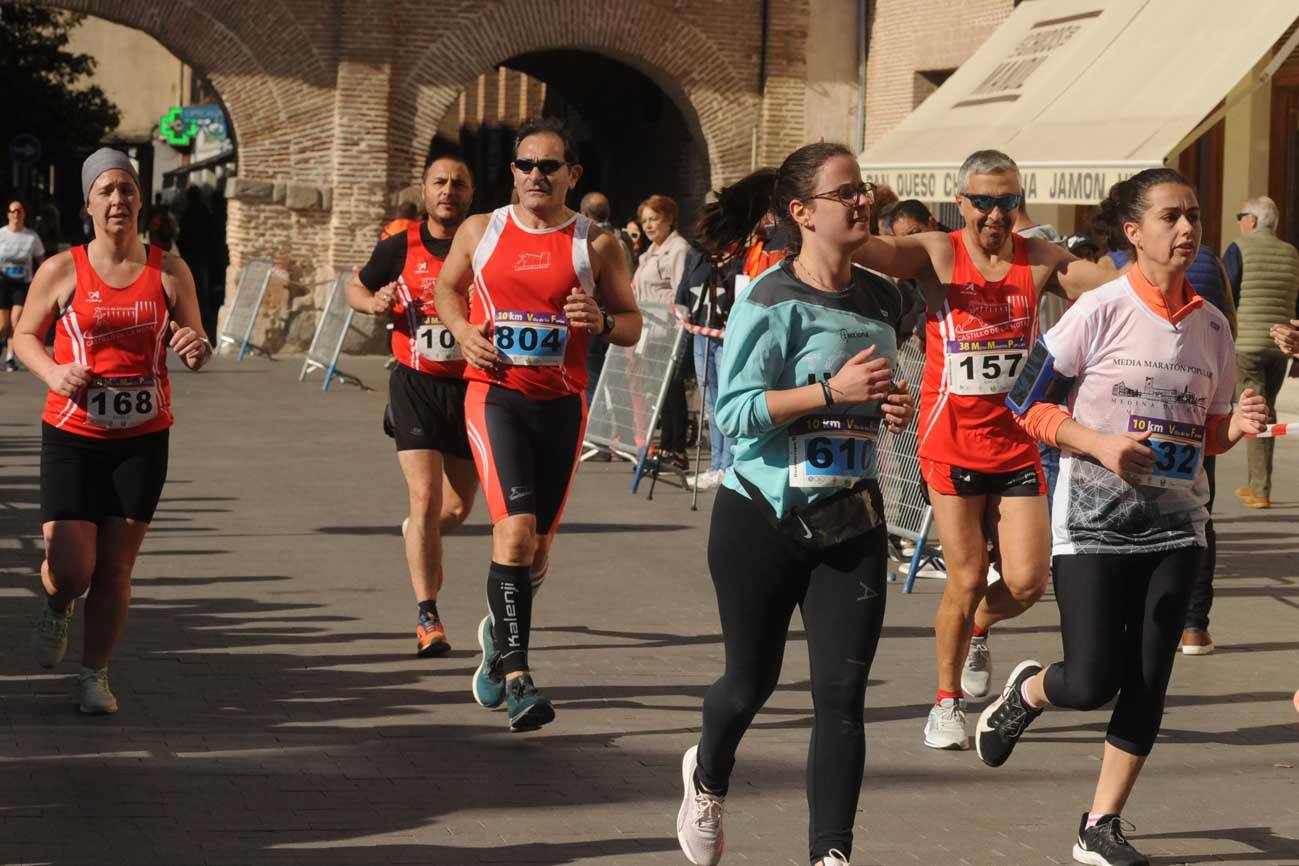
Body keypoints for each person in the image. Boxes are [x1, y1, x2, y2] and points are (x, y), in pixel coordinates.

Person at [976, 168, 1268, 866]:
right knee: (1090, 681)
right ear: (1133, 232)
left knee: (1147, 678)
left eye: (1194, 215)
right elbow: (1025, 404)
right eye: (1170, 216)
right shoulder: (1098, 310)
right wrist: (1098, 443)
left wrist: (1237, 427)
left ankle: (1099, 825)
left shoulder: (1212, 326)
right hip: (1092, 523)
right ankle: (1029, 692)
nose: (1187, 228)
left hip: (1178, 525)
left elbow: (1210, 435)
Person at [675, 142, 915, 866]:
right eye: (845, 193)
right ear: (802, 213)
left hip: (849, 518)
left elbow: (874, 391)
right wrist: (830, 393)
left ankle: (830, 854)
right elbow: (733, 413)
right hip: (762, 518)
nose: (861, 202)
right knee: (749, 684)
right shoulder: (769, 298)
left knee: (842, 692)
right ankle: (707, 775)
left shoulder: (885, 299)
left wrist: (889, 404)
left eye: (862, 189)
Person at [853, 149, 1117, 751]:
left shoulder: (1038, 258)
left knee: (1026, 583)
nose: (995, 215)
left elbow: (1109, 286)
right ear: (961, 203)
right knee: (968, 574)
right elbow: (871, 250)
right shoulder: (938, 251)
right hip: (950, 441)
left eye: (1007, 202)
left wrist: (1157, 267)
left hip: (1018, 441)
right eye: (983, 202)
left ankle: (977, 626)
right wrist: (850, 209)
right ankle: (945, 702)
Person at [433, 118, 643, 731]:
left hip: (561, 406)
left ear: (572, 175)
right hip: (495, 397)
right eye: (525, 165)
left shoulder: (596, 244)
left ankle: (498, 636)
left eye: (549, 166)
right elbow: (447, 289)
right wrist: (463, 330)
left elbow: (632, 323)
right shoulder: (481, 230)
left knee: (537, 551)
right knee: (516, 534)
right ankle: (519, 677)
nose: (536, 175)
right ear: (513, 172)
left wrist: (601, 322)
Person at [16, 147, 213, 714]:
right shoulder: (61, 269)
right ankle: (58, 602)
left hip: (143, 439)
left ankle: (94, 675)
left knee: (116, 568)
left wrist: (195, 348)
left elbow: (197, 343)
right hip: (73, 433)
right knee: (72, 567)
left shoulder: (169, 271)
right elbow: (24, 335)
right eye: (106, 190)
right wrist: (54, 372)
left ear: (140, 200)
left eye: (127, 189)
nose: (118, 199)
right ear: (88, 204)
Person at [346, 154, 480, 658]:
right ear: (424, 191)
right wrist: (372, 303)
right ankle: (428, 616)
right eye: (439, 182)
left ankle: (417, 535)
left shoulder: (485, 243)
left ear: (471, 194)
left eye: (459, 183)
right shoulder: (400, 246)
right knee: (424, 498)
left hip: (470, 386)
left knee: (457, 509)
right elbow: (355, 286)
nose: (449, 190)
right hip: (416, 384)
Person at [1222, 196, 1299, 509]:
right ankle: (1258, 481)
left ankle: (1259, 488)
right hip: (1281, 347)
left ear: (1252, 220)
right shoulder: (1291, 253)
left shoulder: (1238, 249)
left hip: (1248, 345)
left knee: (1253, 411)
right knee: (1269, 409)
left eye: (1241, 216)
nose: (1240, 222)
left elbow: (1226, 294)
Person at [633, 194, 692, 470]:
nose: (648, 225)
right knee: (659, 390)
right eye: (644, 220)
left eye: (654, 219)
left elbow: (680, 291)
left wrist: (678, 325)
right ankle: (665, 446)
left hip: (668, 328)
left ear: (668, 219)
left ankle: (676, 449)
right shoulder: (650, 252)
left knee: (672, 389)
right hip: (649, 330)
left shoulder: (678, 249)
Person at [579, 191, 634, 409]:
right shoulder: (622, 240)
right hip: (620, 318)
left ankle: (595, 422)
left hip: (597, 318)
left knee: (592, 379)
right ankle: (621, 424)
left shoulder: (589, 242)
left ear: (584, 214)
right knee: (618, 378)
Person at [1, 199, 46, 371]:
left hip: (22, 284)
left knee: (16, 321)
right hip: (3, 284)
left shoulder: (32, 237)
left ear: (24, 214)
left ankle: (10, 357)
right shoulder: (1, 234)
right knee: (2, 325)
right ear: (8, 214)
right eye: (13, 211)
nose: (16, 214)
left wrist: (46, 278)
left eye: (19, 211)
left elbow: (41, 260)